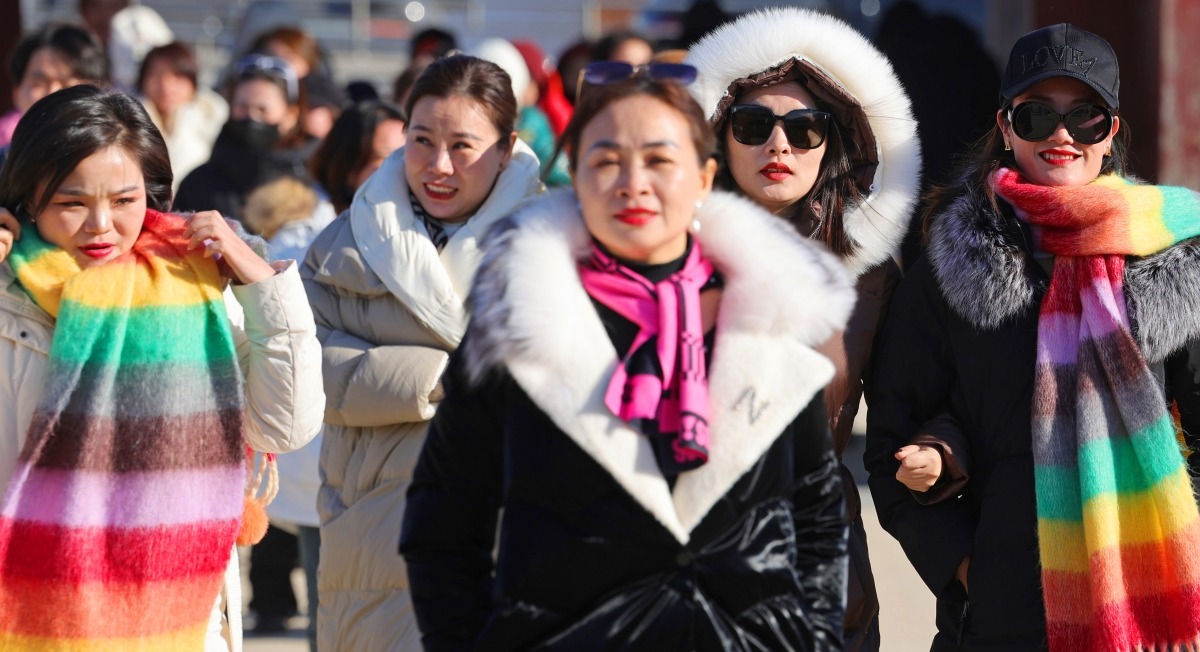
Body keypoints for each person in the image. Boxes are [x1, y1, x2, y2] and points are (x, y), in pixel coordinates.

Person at [400, 62, 854, 651]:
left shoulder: (767, 313)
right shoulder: (519, 324)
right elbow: (443, 525)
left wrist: (811, 639)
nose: (633, 183)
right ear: (576, 177)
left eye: (660, 160)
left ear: (703, 176)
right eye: (606, 159)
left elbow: (817, 514)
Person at [864, 23, 1200, 651]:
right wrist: (967, 573)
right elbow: (890, 440)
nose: (1063, 136)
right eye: (1038, 115)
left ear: (1113, 132)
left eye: (1086, 118)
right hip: (1001, 617)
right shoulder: (948, 267)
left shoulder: (1173, 259)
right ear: (1007, 126)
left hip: (1148, 614)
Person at [0, 84, 324, 651]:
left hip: (180, 624)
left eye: (124, 201)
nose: (101, 225)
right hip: (33, 620)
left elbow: (285, 426)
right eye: (72, 202)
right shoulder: (8, 296)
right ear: (27, 197)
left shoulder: (195, 285)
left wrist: (264, 288)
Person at [686, 8, 922, 649]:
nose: (779, 146)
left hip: (817, 565)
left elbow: (914, 410)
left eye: (805, 128)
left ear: (834, 142)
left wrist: (939, 448)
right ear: (717, 135)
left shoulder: (870, 274)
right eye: (753, 125)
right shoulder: (656, 262)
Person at [301, 54, 543, 651]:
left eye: (464, 146)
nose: (438, 165)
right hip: (374, 524)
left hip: (511, 522)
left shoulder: (554, 240)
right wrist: (435, 377)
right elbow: (307, 370)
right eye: (422, 139)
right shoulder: (345, 242)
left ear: (507, 149)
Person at [175, 54, 318, 223]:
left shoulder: (314, 180)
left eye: (263, 109)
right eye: (242, 106)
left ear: (291, 114)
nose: (252, 117)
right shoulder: (200, 183)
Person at [138, 41, 229, 191]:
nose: (166, 85)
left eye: (177, 76)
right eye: (156, 75)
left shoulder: (211, 117)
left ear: (193, 82)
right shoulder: (127, 121)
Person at [1, 22, 108, 147]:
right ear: (17, 94)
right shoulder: (5, 164)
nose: (53, 93)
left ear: (98, 91)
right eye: (38, 84)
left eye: (67, 84)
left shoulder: (123, 160)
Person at [309, 98, 407, 214]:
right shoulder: (311, 225)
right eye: (386, 157)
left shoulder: (419, 221)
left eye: (405, 156)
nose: (400, 167)